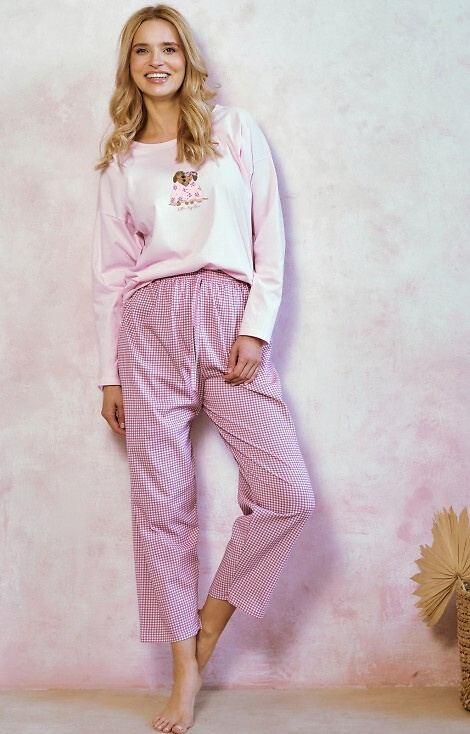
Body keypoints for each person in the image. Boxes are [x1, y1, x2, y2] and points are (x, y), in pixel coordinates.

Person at [92, 5, 315, 733]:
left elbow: (269, 236)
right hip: (148, 328)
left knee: (286, 492)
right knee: (160, 508)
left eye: (168, 48)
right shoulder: (122, 160)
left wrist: (256, 327)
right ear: (129, 66)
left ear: (187, 56)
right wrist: (109, 374)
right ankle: (183, 673)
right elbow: (110, 275)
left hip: (227, 315)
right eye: (141, 51)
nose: (156, 61)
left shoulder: (232, 130)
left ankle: (207, 633)